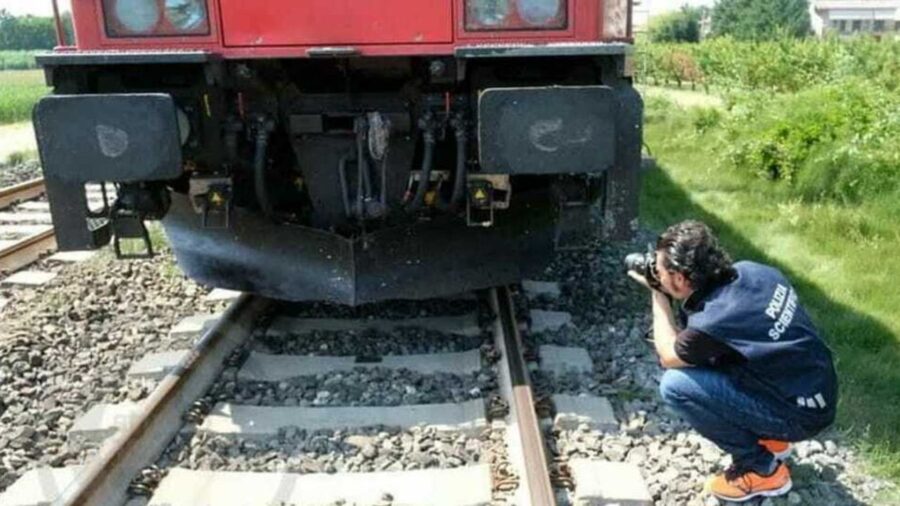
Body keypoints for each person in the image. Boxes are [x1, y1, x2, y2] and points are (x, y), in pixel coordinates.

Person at [627, 220, 838, 502]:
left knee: (677, 385)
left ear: (679, 279)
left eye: (662, 271)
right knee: (715, 360)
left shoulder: (714, 321)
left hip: (799, 416)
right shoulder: (753, 271)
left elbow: (668, 355)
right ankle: (771, 437)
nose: (658, 274)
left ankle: (761, 468)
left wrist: (658, 294)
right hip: (817, 391)